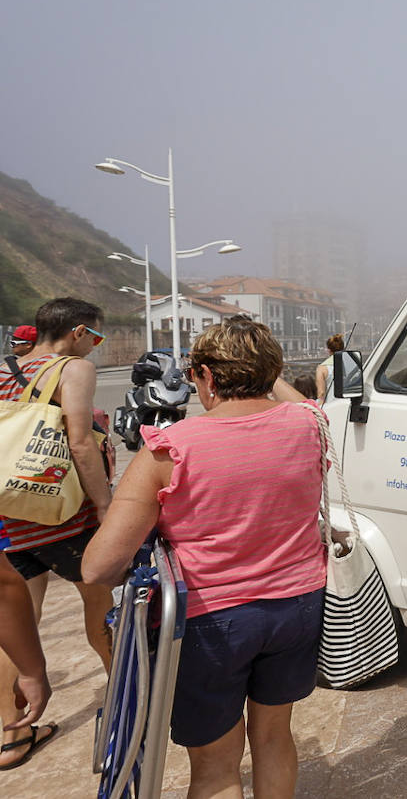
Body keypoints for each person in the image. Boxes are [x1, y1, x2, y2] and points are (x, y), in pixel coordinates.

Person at [83, 317, 326, 799]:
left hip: (214, 623)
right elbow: (308, 403)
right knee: (275, 736)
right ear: (270, 371)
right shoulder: (308, 424)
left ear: (207, 377)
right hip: (298, 606)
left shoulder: (171, 449)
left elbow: (97, 567)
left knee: (216, 767)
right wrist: (262, 371)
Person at [0, 298, 114, 768]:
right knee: (101, 604)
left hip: (10, 518)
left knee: (18, 621)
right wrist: (107, 507)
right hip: (60, 515)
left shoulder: (6, 369)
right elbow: (81, 440)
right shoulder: (72, 368)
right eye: (97, 338)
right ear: (79, 332)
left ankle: (10, 736)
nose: (96, 347)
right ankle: (130, 695)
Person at [0, 519, 54, 770]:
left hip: (13, 530)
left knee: (17, 622)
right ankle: (129, 715)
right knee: (97, 597)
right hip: (50, 520)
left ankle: (13, 737)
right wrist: (33, 672)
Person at [314, 333, 345, 400]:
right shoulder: (351, 364)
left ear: (329, 350)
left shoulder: (322, 368)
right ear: (343, 348)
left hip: (331, 405)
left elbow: (321, 393)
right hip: (350, 405)